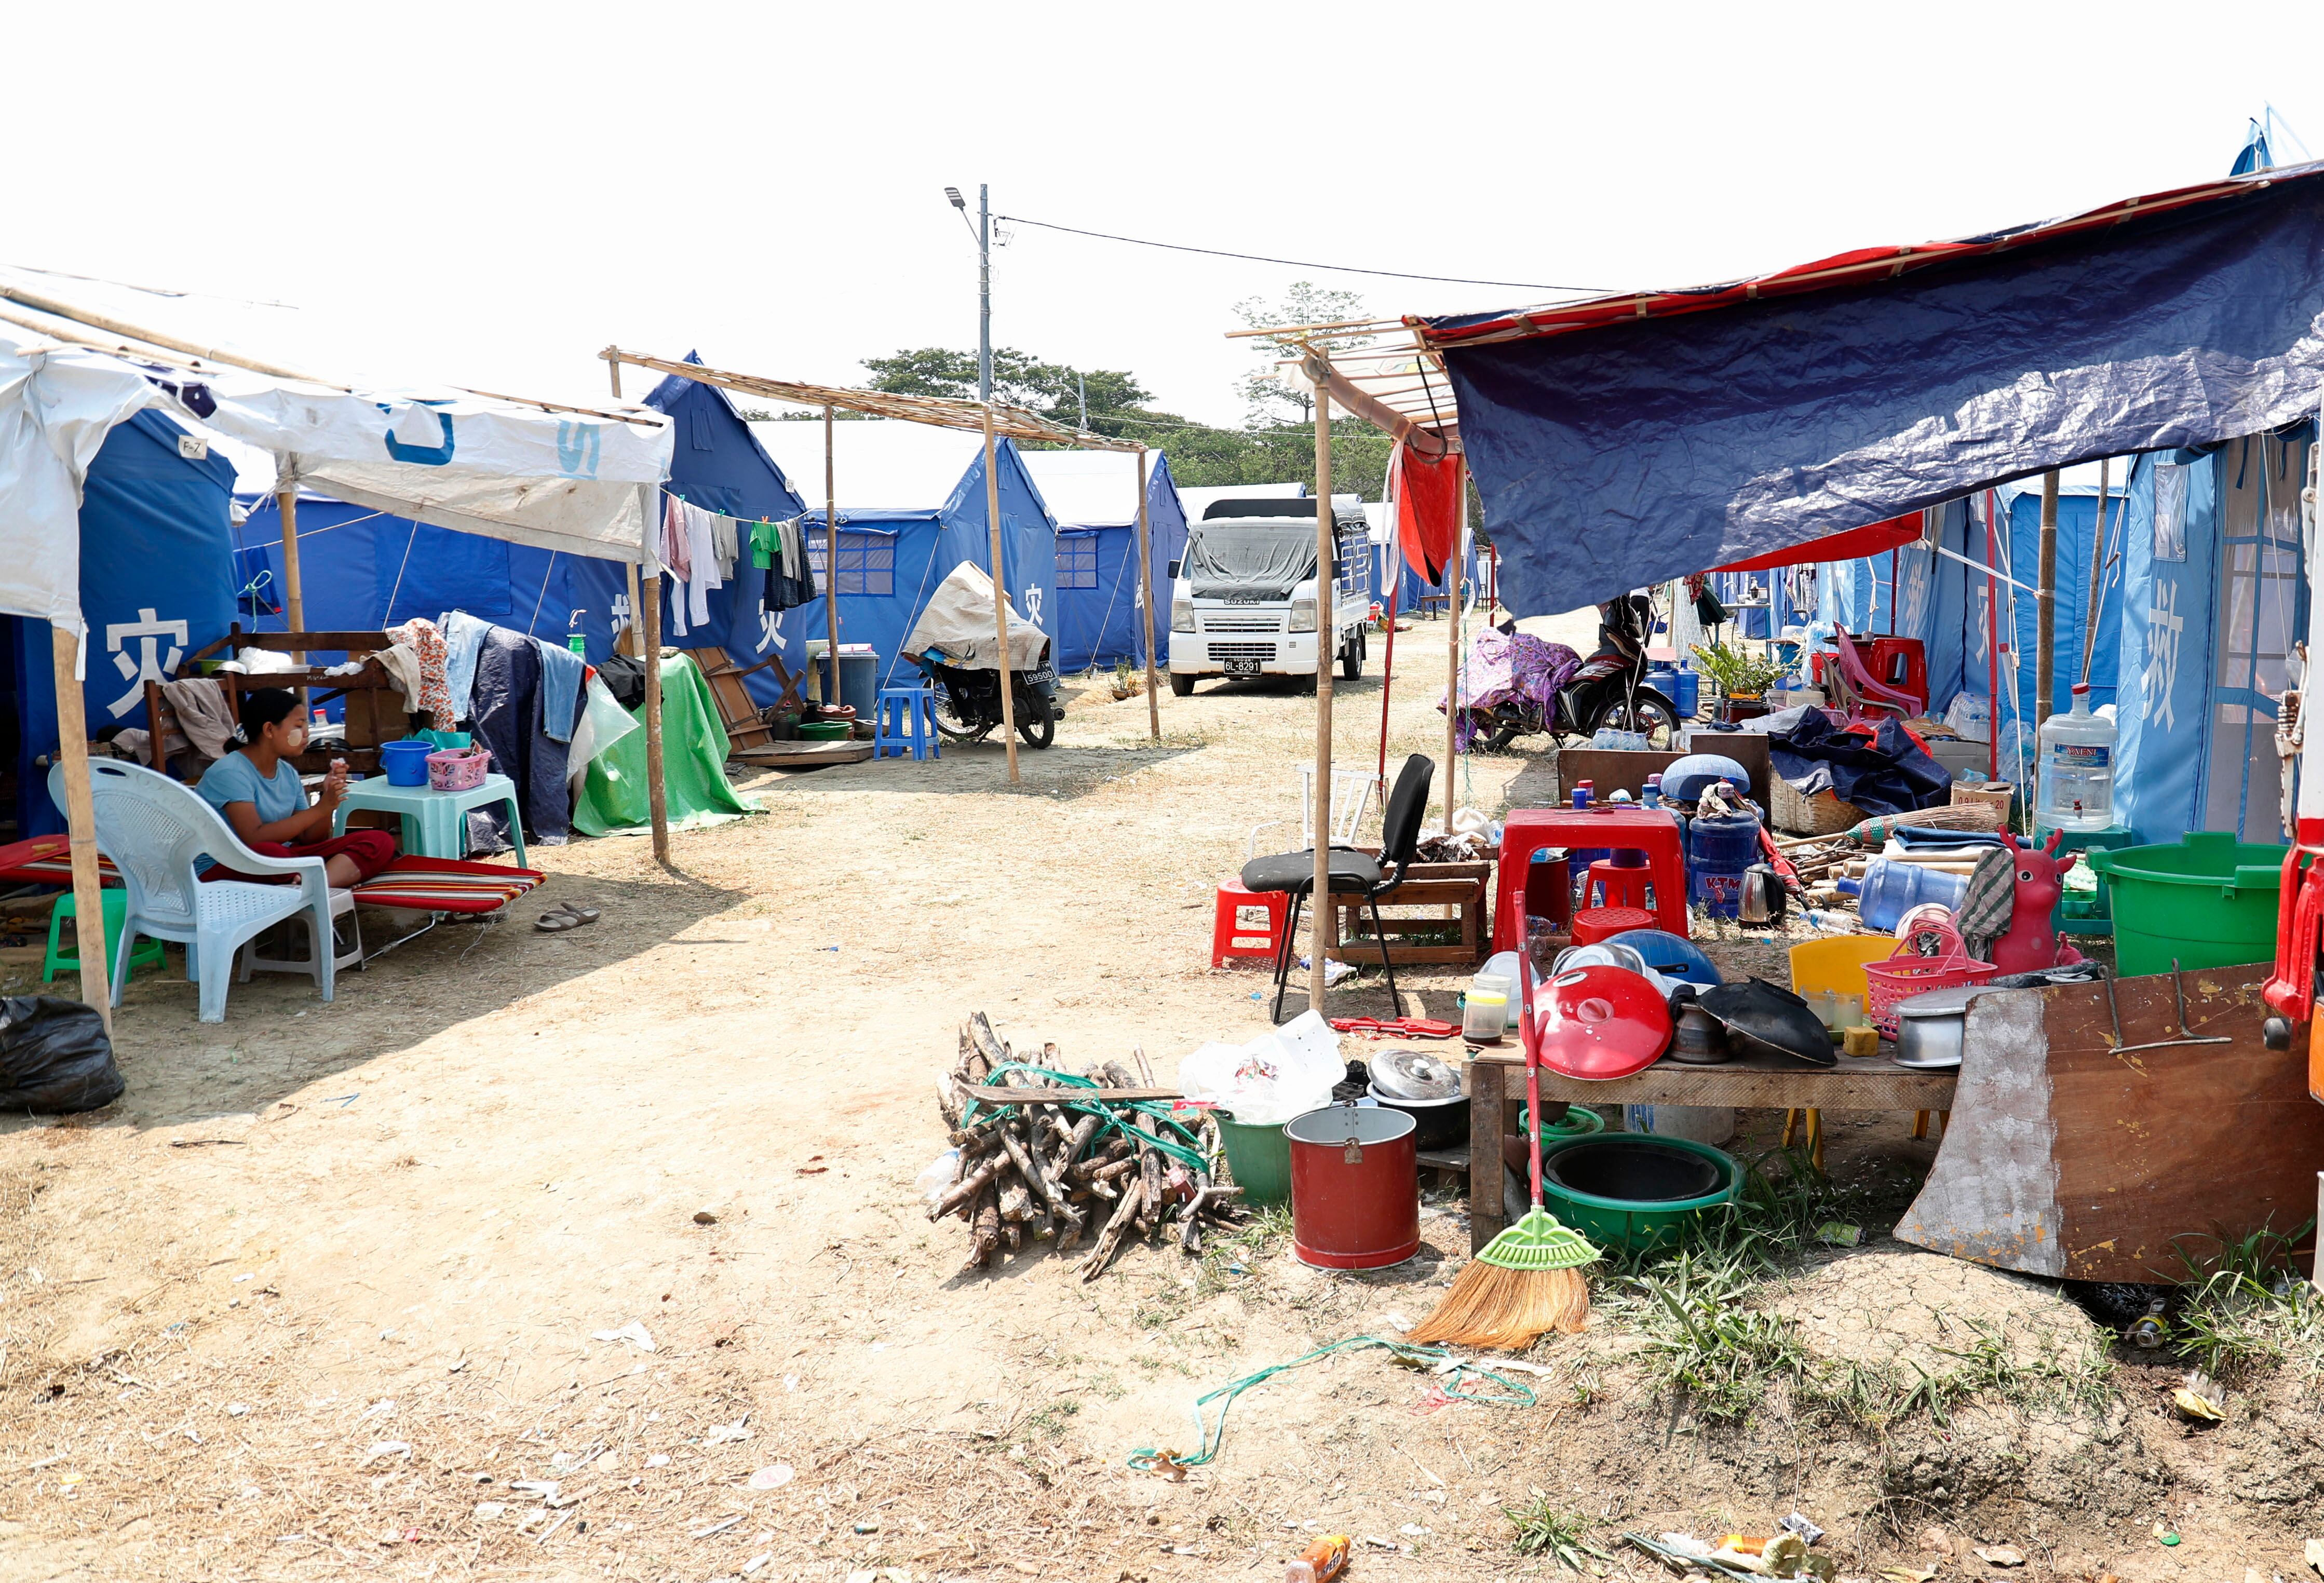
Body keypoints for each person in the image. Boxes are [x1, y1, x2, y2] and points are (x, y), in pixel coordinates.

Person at [195, 688, 396, 888]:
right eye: (299, 726)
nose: (307, 733)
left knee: (380, 841)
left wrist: (328, 800)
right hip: (223, 866)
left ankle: (316, 886)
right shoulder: (230, 771)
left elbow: (310, 838)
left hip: (281, 861)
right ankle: (314, 882)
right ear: (269, 730)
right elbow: (254, 838)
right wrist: (320, 809)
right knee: (272, 853)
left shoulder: (287, 773)